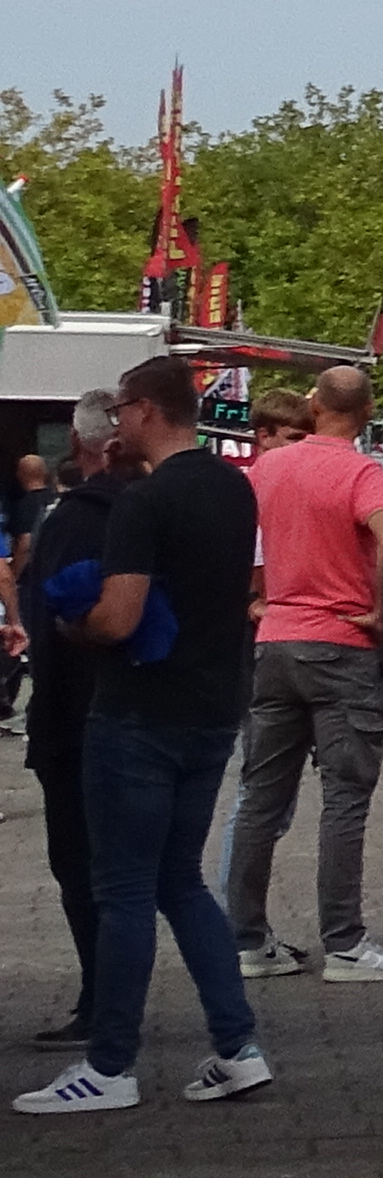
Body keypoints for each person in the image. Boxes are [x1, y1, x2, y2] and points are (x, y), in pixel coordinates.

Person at [16, 358, 277, 1116]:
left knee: (123, 889)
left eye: (124, 408)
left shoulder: (144, 500)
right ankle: (237, 1046)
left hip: (137, 712)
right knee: (181, 881)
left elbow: (120, 617)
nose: (118, 422)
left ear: (147, 411)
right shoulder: (234, 489)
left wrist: (73, 620)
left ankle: (110, 1063)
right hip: (210, 707)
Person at [220, 365, 383, 983]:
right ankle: (345, 941)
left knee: (260, 797)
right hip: (340, 644)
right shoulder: (363, 473)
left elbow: (236, 543)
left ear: (314, 405)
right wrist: (381, 613)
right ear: (366, 411)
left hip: (276, 641)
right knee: (345, 797)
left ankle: (247, 939)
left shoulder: (267, 469)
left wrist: (254, 601)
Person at [13, 399, 130, 1039]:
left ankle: (104, 1003)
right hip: (146, 712)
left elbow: (59, 631)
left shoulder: (78, 520)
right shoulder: (153, 509)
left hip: (82, 719)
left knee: (85, 866)